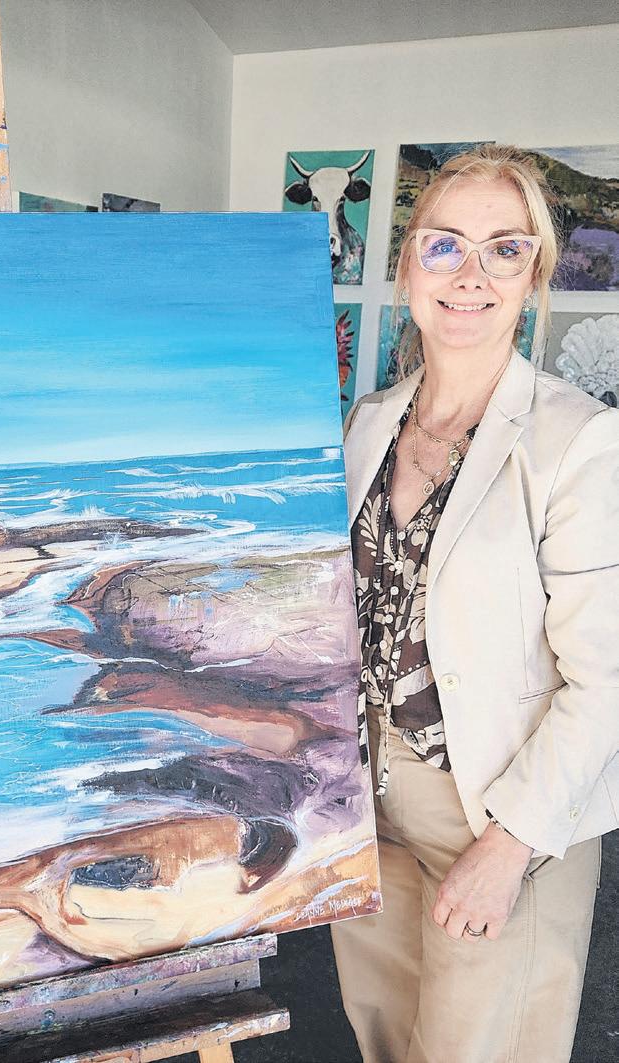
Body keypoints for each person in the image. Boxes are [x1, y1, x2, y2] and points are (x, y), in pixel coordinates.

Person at [331, 144, 619, 1063]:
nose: (470, 275)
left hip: (497, 816)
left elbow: (608, 680)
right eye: (445, 244)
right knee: (383, 1036)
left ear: (533, 276)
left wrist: (510, 846)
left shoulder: (579, 441)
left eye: (505, 249)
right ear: (408, 264)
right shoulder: (368, 422)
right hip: (369, 801)